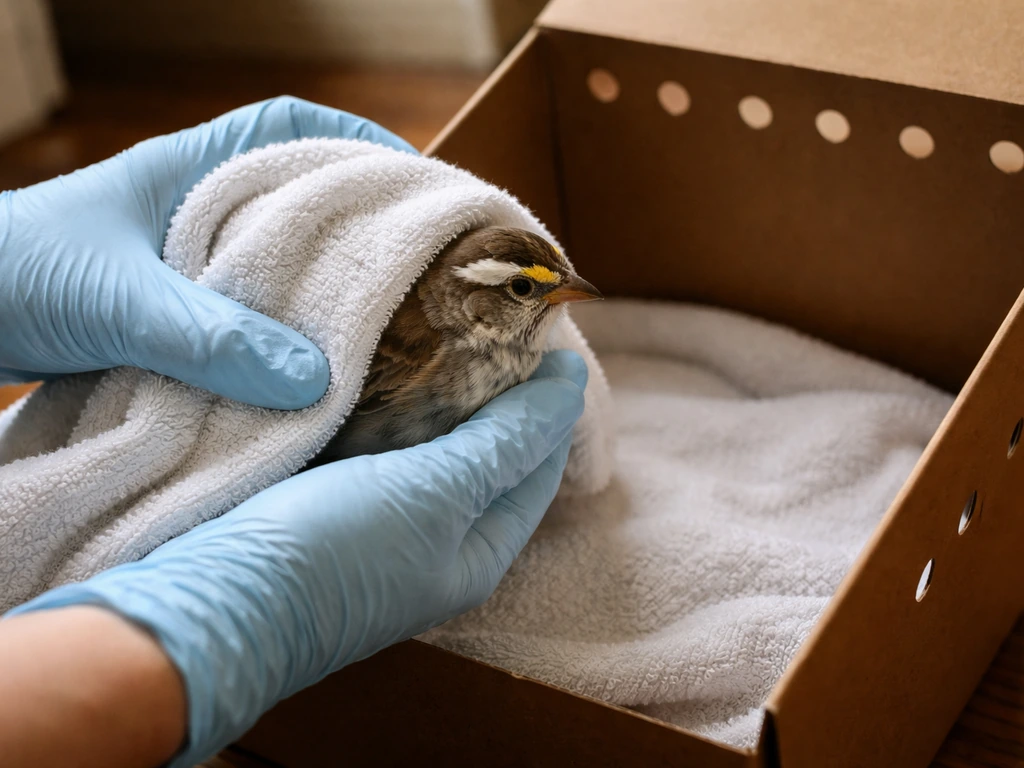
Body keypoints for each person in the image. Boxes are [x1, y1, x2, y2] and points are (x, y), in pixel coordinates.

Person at [0, 96, 587, 768]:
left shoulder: (510, 350)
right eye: (521, 290)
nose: (557, 297)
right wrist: (250, 605)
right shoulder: (432, 352)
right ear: (471, 299)